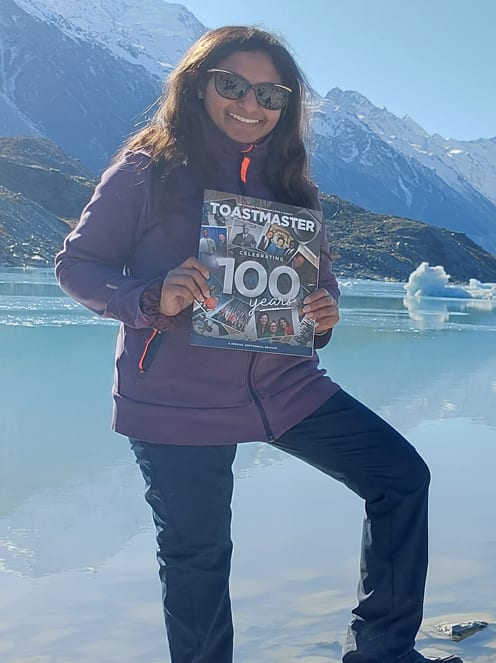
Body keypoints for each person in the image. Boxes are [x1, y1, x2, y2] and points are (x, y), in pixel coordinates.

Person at [54, 26, 460, 663]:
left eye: (272, 93)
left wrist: (324, 312)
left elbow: (316, 285)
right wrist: (150, 297)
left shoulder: (295, 187)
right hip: (175, 397)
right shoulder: (146, 171)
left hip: (284, 386)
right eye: (233, 85)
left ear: (288, 104)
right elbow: (77, 267)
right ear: (197, 87)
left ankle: (383, 651)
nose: (252, 104)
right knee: (198, 557)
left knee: (402, 478)